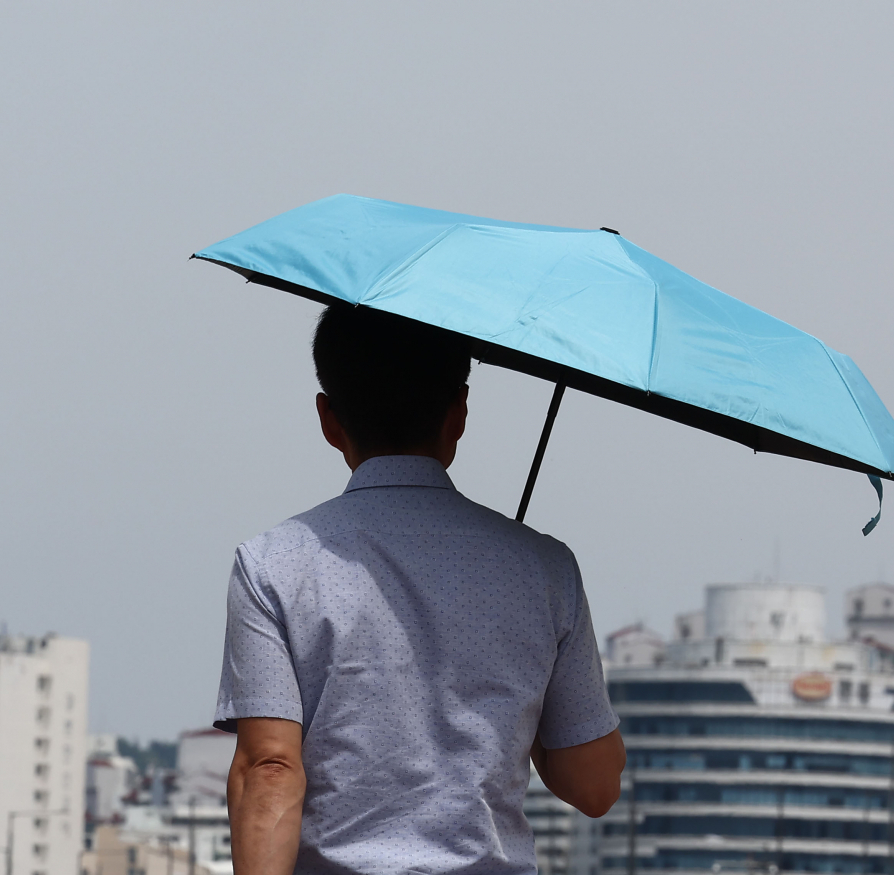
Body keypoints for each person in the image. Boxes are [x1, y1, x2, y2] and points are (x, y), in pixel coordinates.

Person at [214, 304, 624, 875]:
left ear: (328, 418)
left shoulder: (273, 562)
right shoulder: (544, 567)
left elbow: (269, 768)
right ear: (458, 412)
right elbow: (595, 786)